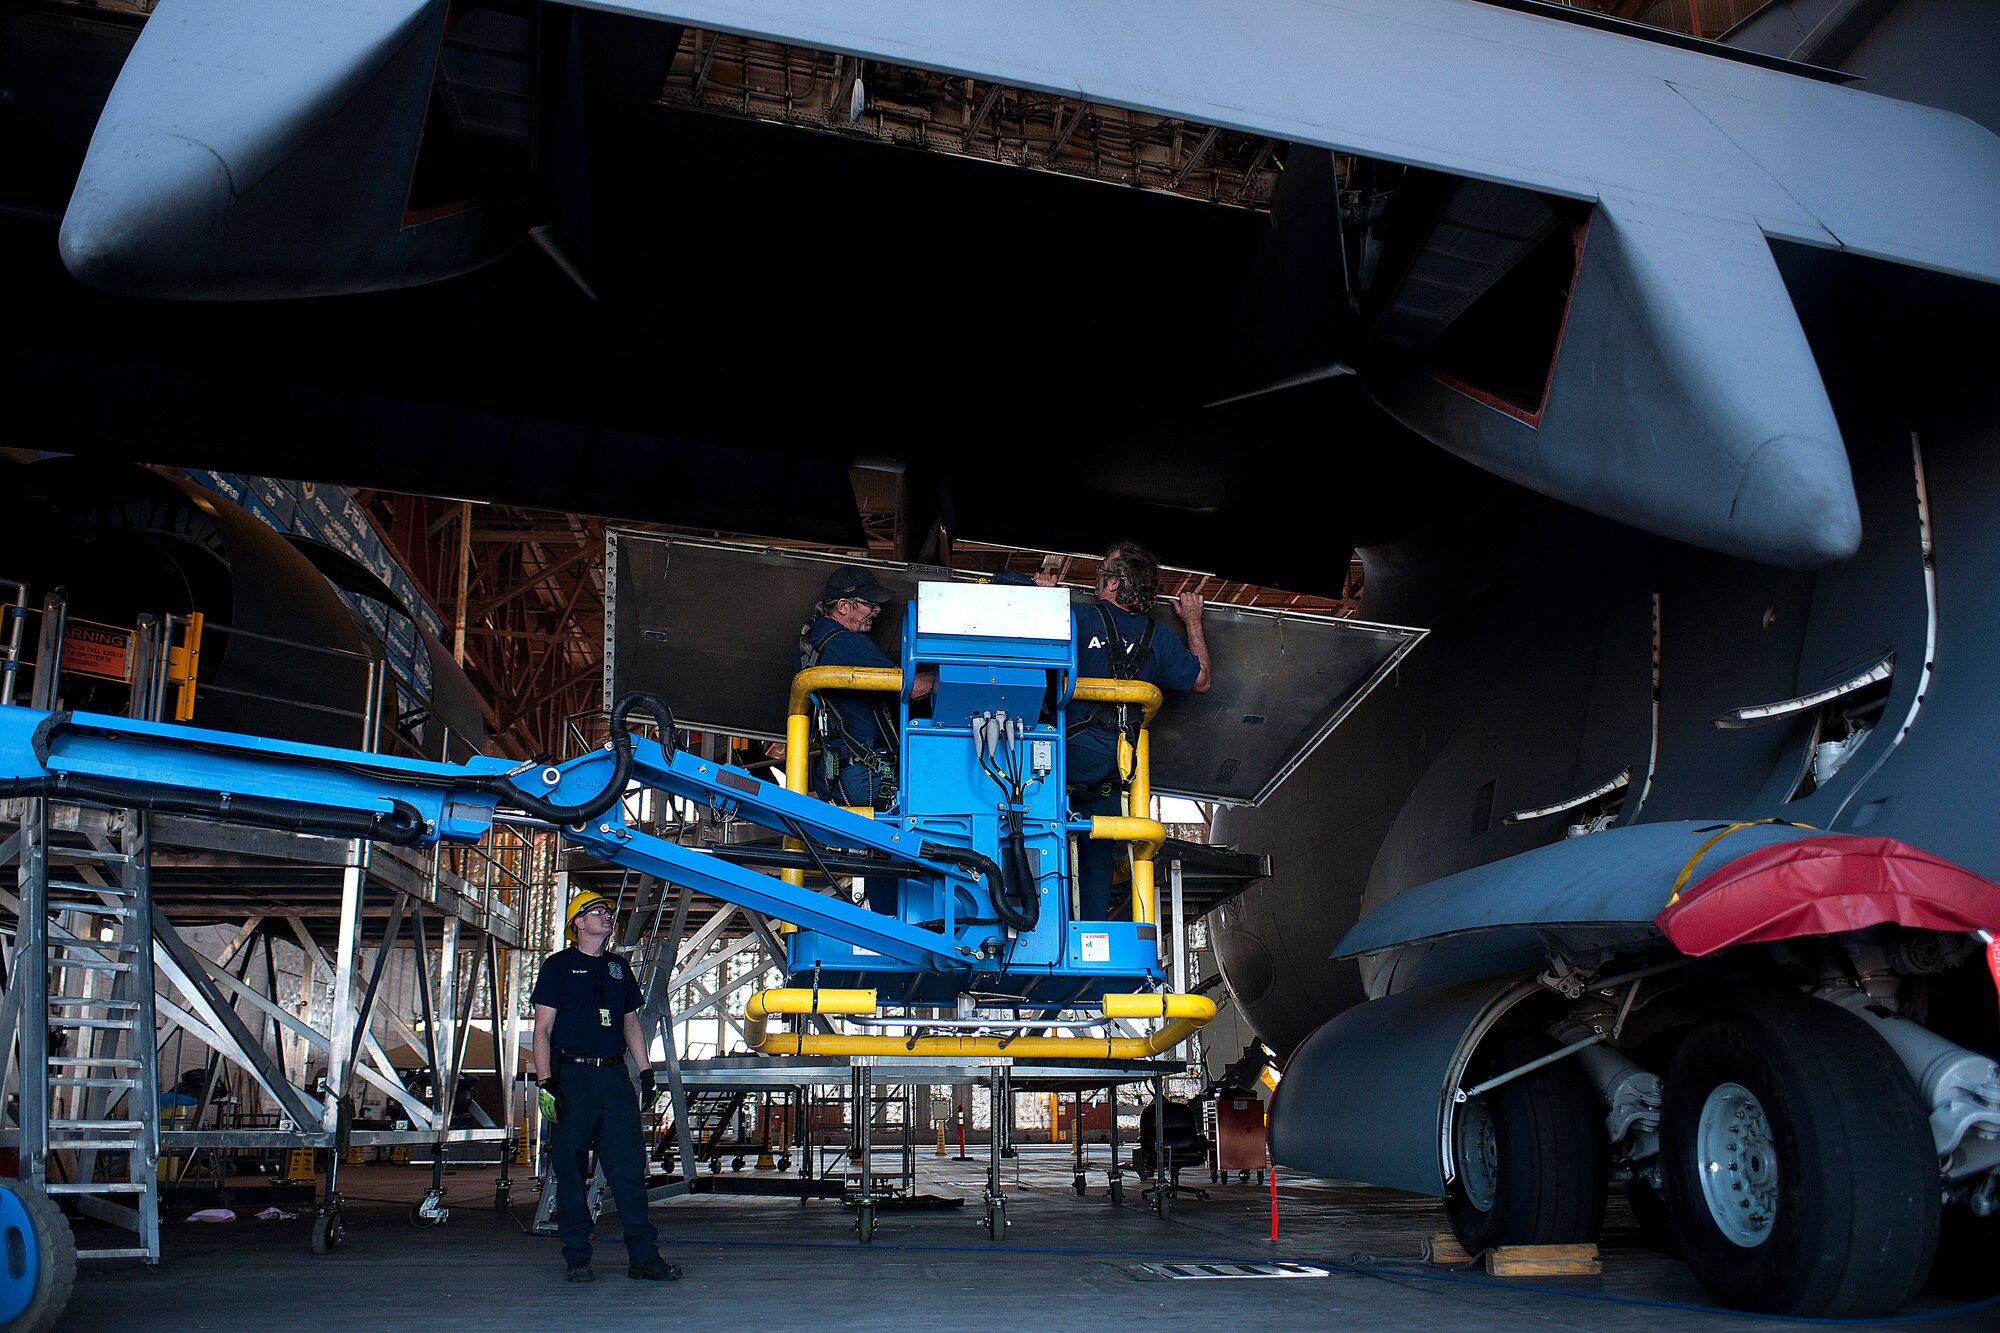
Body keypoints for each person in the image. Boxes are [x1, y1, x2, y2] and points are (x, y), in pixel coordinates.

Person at [1039, 542, 1210, 920]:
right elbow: (1201, 679)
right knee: (1099, 844)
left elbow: (1028, 653)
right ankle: (1093, 940)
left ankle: (1036, 927)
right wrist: (1194, 622)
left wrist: (1042, 603)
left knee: (1034, 831)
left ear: (1114, 584)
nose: (1097, 577)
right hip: (1117, 767)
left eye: (1102, 571)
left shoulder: (1078, 618)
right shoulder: (1159, 637)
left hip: (1060, 759)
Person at [531, 891, 682, 1284]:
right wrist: (546, 1082)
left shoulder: (618, 968)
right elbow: (543, 1029)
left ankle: (643, 1257)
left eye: (607, 911)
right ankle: (577, 1256)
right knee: (570, 1169)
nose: (606, 916)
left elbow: (630, 1022)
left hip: (615, 1079)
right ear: (577, 924)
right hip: (573, 1078)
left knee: (629, 1170)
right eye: (596, 912)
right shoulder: (557, 967)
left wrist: (646, 1071)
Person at [795, 564, 932, 808]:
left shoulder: (811, 642)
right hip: (870, 775)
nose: (877, 609)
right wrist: (950, 676)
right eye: (870, 602)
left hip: (838, 774)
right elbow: (914, 688)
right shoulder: (848, 645)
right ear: (844, 606)